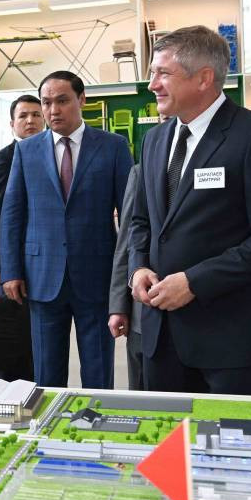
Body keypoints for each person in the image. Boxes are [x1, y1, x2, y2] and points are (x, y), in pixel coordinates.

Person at [129, 25, 251, 396]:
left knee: (231, 433)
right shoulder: (154, 140)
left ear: (204, 78)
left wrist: (195, 282)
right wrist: (138, 267)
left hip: (230, 343)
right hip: (162, 338)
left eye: (163, 73)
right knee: (168, 432)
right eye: (152, 73)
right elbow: (142, 221)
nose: (152, 85)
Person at [0, 71, 131, 389]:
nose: (53, 110)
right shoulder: (26, 151)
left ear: (81, 100)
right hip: (42, 276)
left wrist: (126, 275)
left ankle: (97, 417)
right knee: (47, 373)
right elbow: (13, 214)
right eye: (46, 103)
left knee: (98, 370)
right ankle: (49, 420)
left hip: (97, 275)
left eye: (62, 101)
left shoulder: (113, 147)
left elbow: (130, 217)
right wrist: (11, 271)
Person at [0, 94, 44, 263]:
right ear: (12, 124)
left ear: (44, 120)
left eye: (36, 115)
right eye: (23, 116)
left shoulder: (53, 154)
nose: (30, 120)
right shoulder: (2, 159)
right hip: (17, 256)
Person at [109, 163, 144, 390]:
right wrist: (119, 306)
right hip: (144, 315)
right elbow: (125, 244)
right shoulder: (140, 173)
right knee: (144, 400)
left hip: (210, 321)